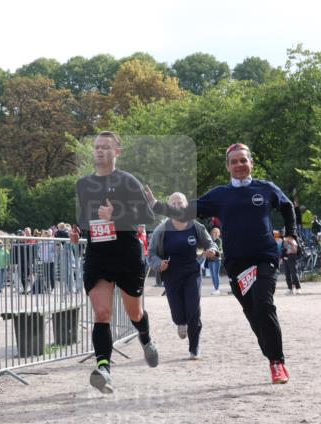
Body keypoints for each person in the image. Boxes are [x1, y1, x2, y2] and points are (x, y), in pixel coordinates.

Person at [147, 142, 297, 384]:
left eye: (243, 160)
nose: (239, 165)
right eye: (234, 161)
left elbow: (287, 206)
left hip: (265, 258)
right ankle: (271, 353)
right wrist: (157, 206)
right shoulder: (219, 195)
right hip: (237, 264)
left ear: (251, 163)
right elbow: (185, 212)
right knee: (253, 313)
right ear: (228, 166)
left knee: (264, 304)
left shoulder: (266, 189)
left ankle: (276, 362)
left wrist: (291, 235)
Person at [69, 131, 159, 394]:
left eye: (105, 147)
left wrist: (116, 214)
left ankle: (145, 337)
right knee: (102, 313)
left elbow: (147, 216)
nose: (99, 151)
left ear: (117, 152)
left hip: (126, 253)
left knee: (135, 313)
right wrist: (78, 233)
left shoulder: (128, 181)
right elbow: (87, 219)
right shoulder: (83, 184)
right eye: (97, 147)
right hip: (98, 255)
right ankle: (104, 369)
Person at [147, 193, 219, 359]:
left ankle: (194, 348)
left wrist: (212, 251)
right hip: (171, 276)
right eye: (173, 203)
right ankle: (181, 322)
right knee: (177, 314)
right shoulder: (161, 229)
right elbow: (150, 254)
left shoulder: (196, 227)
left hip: (192, 273)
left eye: (180, 203)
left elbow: (211, 244)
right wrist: (159, 263)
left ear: (186, 206)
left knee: (193, 310)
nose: (177, 206)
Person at [207, 226, 224, 294]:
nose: (215, 233)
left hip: (216, 260)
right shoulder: (210, 241)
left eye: (216, 232)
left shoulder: (219, 240)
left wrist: (213, 251)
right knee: (212, 275)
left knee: (215, 274)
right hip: (210, 260)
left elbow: (220, 249)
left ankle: (217, 289)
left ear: (218, 233)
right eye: (214, 232)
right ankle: (215, 289)